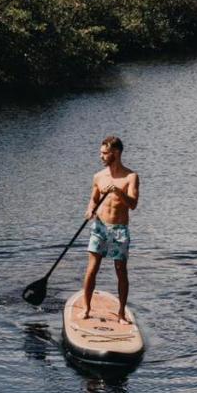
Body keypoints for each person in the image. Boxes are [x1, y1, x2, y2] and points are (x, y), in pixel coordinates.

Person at [80, 136, 140, 324]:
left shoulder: (131, 177)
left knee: (121, 270)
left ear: (116, 153)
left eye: (105, 153)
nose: (101, 156)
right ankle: (86, 308)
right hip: (100, 227)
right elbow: (93, 199)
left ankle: (121, 313)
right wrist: (90, 209)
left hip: (119, 229)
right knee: (91, 269)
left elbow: (133, 204)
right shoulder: (98, 176)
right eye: (101, 153)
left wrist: (119, 192)